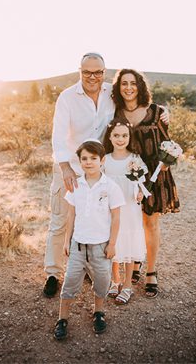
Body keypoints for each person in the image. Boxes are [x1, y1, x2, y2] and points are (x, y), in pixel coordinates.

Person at [42, 52, 168, 297]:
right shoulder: (67, 97)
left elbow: (137, 106)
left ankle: (90, 268)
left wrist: (163, 110)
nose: (92, 77)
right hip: (71, 169)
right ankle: (53, 273)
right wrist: (66, 168)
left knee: (96, 219)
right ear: (79, 71)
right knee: (61, 220)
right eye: (87, 72)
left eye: (97, 72)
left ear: (104, 72)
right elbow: (58, 138)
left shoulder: (112, 94)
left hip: (100, 172)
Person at [112, 68, 179, 298]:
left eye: (133, 83)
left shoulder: (156, 112)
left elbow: (168, 143)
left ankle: (151, 271)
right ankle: (135, 261)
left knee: (150, 224)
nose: (128, 87)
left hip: (153, 176)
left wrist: (168, 162)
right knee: (131, 222)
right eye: (124, 84)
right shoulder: (115, 113)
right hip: (127, 176)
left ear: (140, 86)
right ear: (118, 88)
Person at [53, 140, 124, 340]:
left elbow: (116, 217)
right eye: (84, 158)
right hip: (78, 245)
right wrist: (67, 241)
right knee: (70, 282)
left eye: (93, 158)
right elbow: (71, 215)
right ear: (80, 161)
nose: (88, 162)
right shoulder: (76, 185)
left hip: (101, 247)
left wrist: (112, 244)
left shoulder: (110, 187)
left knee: (102, 281)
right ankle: (62, 318)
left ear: (102, 160)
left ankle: (98, 313)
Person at [103, 121, 147, 305]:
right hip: (111, 208)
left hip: (129, 207)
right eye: (116, 135)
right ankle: (115, 280)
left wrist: (140, 193)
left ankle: (127, 284)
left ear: (130, 137)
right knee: (113, 242)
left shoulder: (135, 159)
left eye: (124, 135)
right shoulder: (105, 159)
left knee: (128, 243)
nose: (120, 139)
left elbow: (143, 183)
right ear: (110, 137)